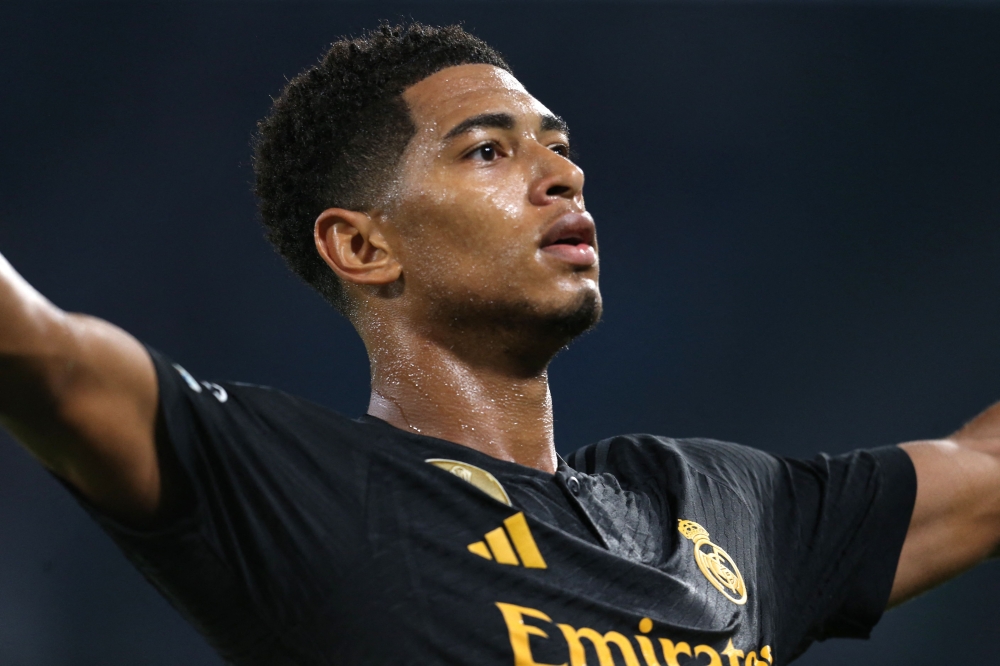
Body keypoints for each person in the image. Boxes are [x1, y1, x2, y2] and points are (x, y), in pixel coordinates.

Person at [0, 21, 997, 666]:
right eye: (488, 149)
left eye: (557, 145)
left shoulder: (719, 506)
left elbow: (981, 469)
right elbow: (40, 351)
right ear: (361, 245)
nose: (562, 175)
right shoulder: (294, 488)